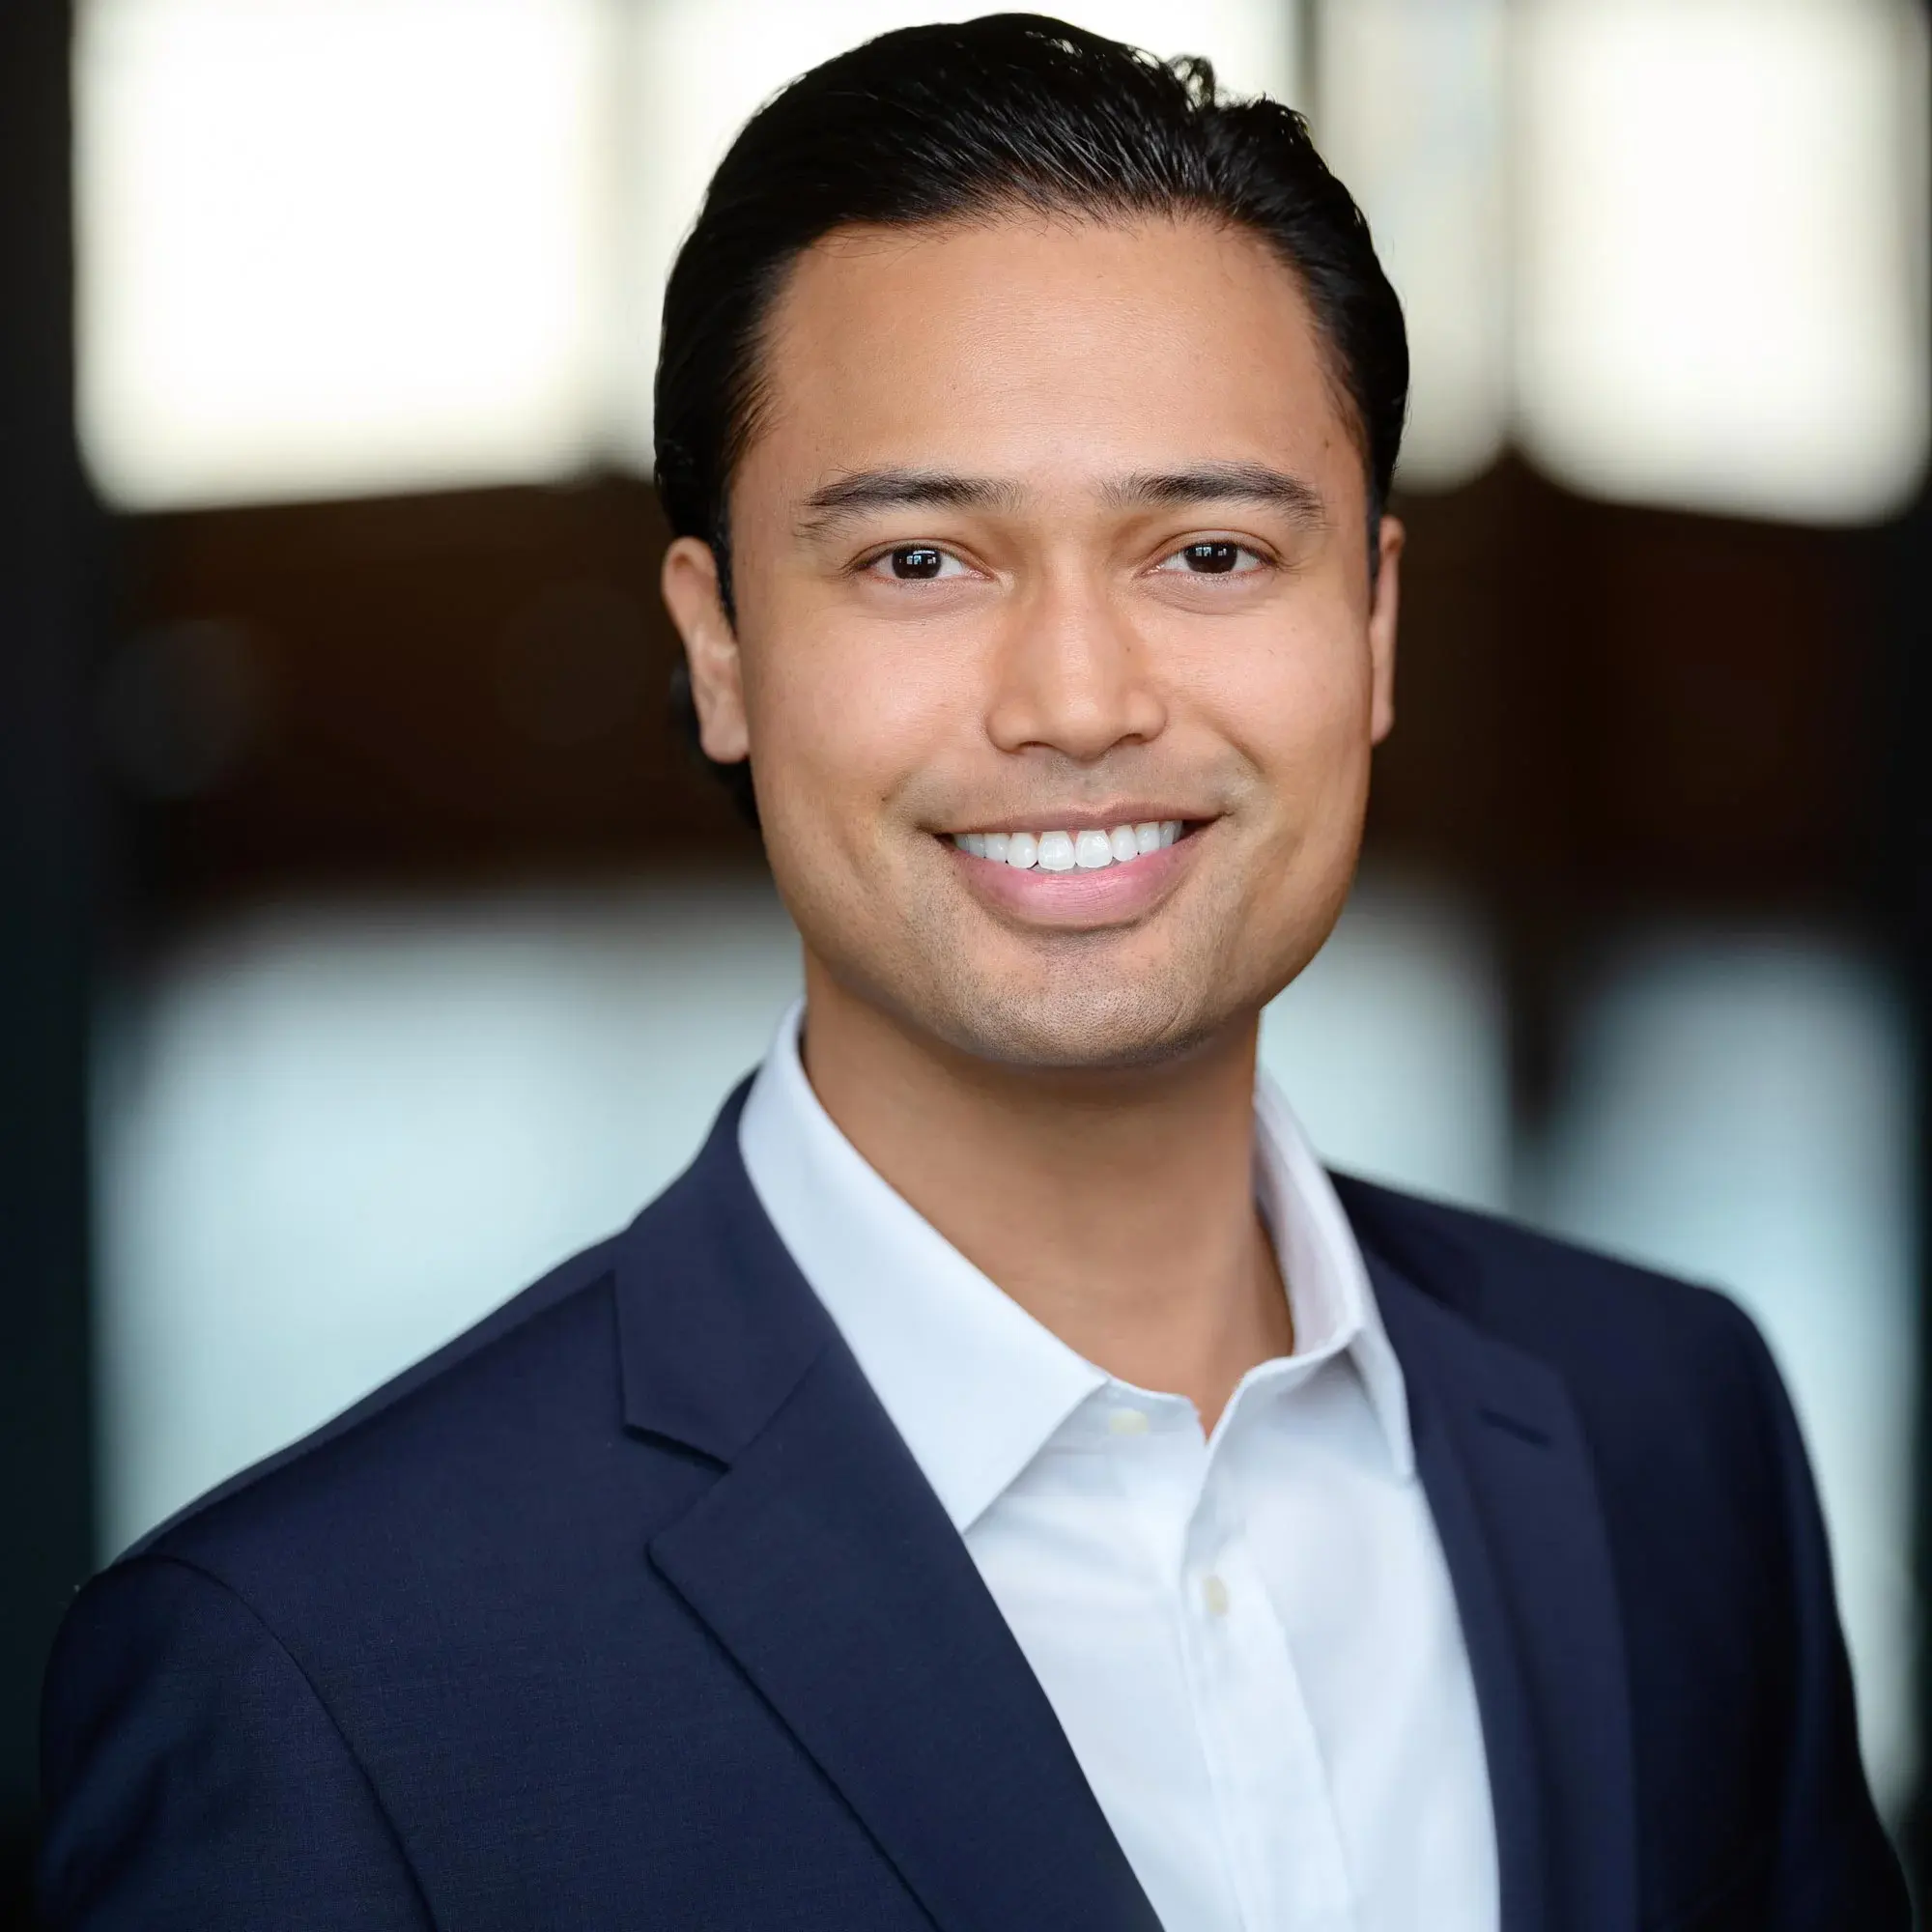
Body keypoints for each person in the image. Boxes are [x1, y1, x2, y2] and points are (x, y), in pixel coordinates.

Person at [38, 14, 1907, 1930]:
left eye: (1208, 549)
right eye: (922, 562)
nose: (1078, 701)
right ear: (721, 649)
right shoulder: (311, 1676)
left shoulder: (1664, 1419)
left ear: (1372, 623)